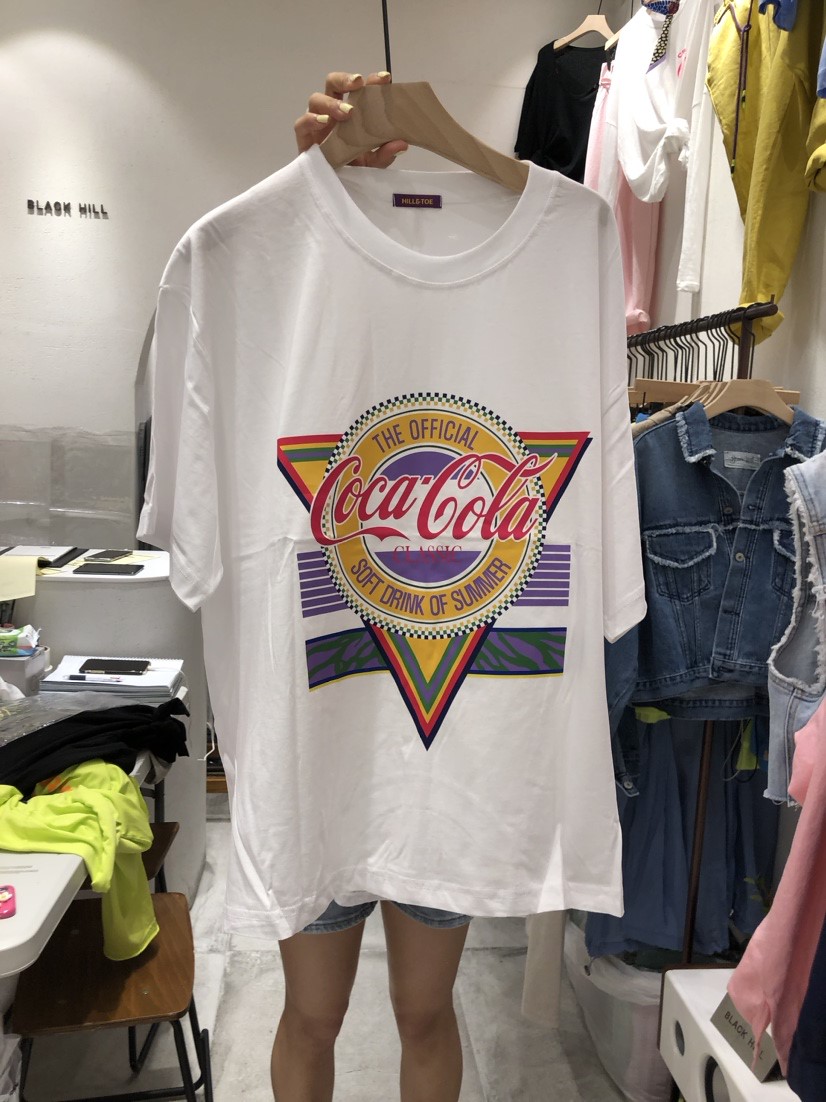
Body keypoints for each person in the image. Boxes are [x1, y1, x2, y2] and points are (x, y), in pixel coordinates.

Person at [272, 71, 472, 1102]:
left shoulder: (509, 285)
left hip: (451, 744)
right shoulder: (282, 278)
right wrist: (311, 182)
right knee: (312, 1015)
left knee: (426, 1012)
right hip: (318, 742)